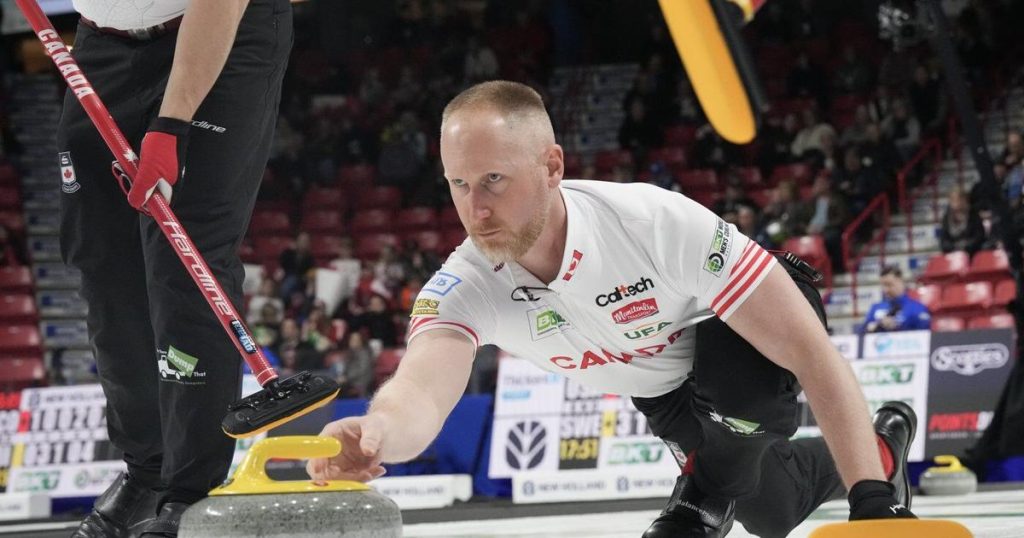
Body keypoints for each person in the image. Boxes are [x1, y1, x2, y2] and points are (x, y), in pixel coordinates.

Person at [308, 81, 918, 538]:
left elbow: (810, 353)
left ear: (553, 167)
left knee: (743, 396)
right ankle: (884, 448)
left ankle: (708, 494)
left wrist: (873, 506)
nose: (476, 209)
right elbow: (420, 389)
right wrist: (379, 432)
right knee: (775, 511)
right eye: (458, 185)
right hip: (666, 389)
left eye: (494, 178)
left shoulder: (652, 222)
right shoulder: (464, 285)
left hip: (737, 332)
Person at [56, 0, 293, 536]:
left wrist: (171, 123)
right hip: (102, 43)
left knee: (185, 260)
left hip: (219, 32)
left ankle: (192, 494)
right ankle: (148, 470)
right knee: (103, 261)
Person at [862, 266, 932, 334]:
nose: (885, 290)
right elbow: (862, 332)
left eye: (889, 285)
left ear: (900, 281)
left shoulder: (916, 307)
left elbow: (924, 333)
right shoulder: (876, 308)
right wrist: (877, 325)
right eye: (883, 285)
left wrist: (898, 327)